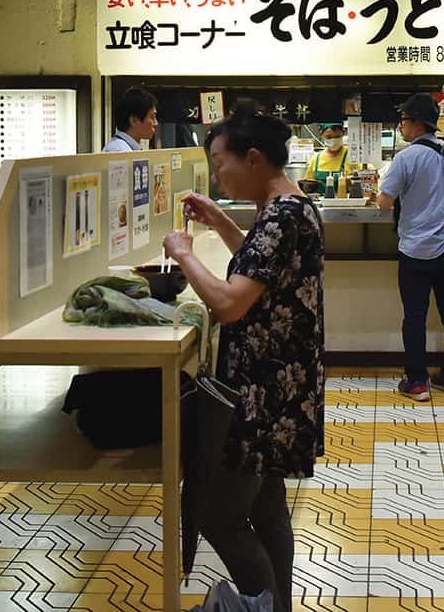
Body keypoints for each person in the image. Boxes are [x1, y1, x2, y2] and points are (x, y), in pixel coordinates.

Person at [162, 100, 324, 612]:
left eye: (219, 162)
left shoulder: (280, 218)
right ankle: (277, 606)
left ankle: (265, 608)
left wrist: (185, 253)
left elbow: (232, 303)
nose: (217, 174)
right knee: (269, 512)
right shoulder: (291, 207)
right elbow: (260, 265)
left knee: (221, 516)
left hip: (262, 393)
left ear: (252, 158)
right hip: (286, 386)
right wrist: (218, 221)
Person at [374, 93, 444, 401]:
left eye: (403, 121)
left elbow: (384, 203)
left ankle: (417, 382)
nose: (400, 127)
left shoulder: (407, 157)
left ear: (416, 123)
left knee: (415, 315)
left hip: (415, 249)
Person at [103, 86, 158, 152]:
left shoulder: (128, 147)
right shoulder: (119, 150)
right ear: (134, 120)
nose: (156, 123)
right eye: (152, 117)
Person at [303, 122, 354, 192]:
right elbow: (308, 184)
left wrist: (352, 180)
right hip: (320, 201)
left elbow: (368, 176)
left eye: (337, 137)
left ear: (343, 134)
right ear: (321, 135)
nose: (333, 140)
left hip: (344, 201)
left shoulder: (352, 155)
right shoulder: (316, 158)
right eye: (329, 137)